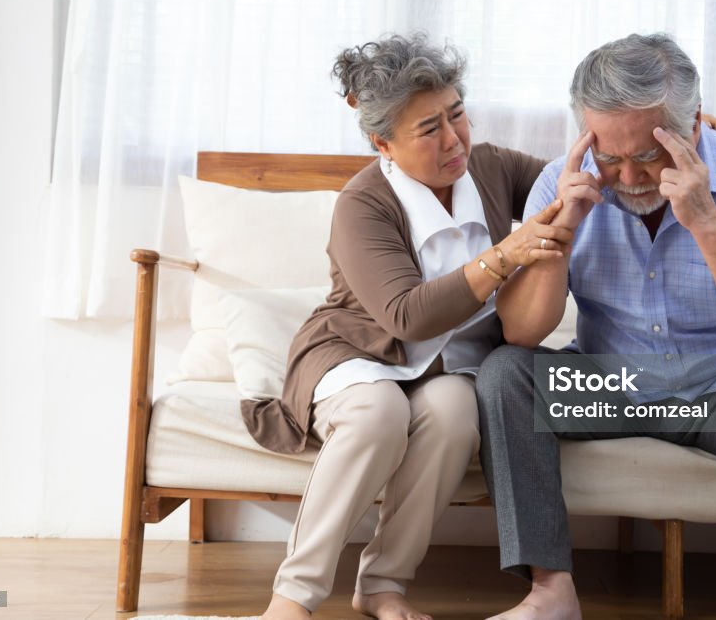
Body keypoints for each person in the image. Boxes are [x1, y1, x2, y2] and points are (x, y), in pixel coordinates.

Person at [476, 33, 716, 620]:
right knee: (505, 374)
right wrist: (563, 229)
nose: (628, 177)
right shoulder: (561, 183)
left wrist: (707, 224)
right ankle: (551, 594)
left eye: (648, 155)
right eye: (609, 156)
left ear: (692, 126)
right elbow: (521, 332)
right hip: (608, 388)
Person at [245, 32, 572, 620]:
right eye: (429, 130)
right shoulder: (363, 203)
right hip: (356, 352)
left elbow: (575, 179)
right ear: (383, 143)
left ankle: (382, 585)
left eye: (457, 115)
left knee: (452, 414)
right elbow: (407, 314)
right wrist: (509, 254)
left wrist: (677, 137)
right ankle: (291, 600)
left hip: (447, 365)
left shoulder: (493, 168)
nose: (454, 140)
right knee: (379, 414)